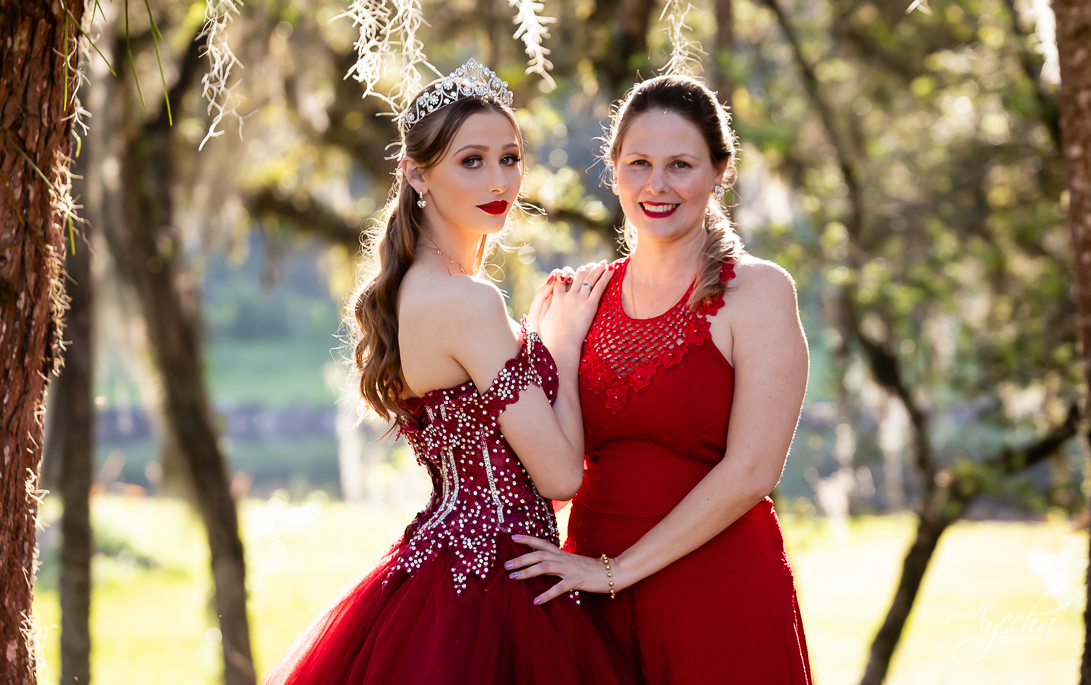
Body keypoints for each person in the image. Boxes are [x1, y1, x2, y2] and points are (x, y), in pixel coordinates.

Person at [260, 60, 634, 685]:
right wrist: (562, 347)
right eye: (471, 160)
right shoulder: (468, 301)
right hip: (498, 583)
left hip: (445, 563)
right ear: (416, 175)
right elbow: (562, 475)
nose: (499, 180)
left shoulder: (422, 288)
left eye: (510, 158)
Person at [505, 75, 814, 684]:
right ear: (614, 169)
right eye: (640, 163)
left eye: (681, 165)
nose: (657, 185)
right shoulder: (578, 297)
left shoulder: (757, 292)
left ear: (719, 172)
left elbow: (753, 471)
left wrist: (616, 570)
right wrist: (560, 344)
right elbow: (550, 472)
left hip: (715, 593)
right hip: (588, 594)